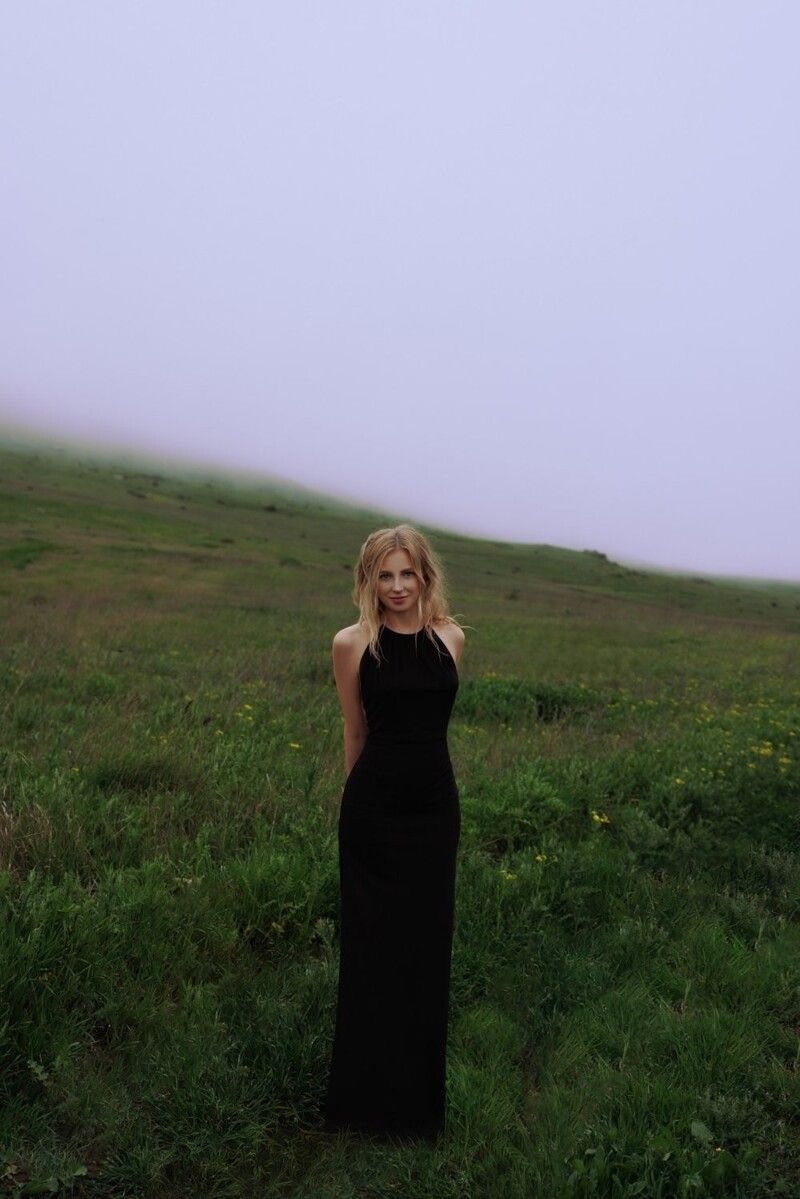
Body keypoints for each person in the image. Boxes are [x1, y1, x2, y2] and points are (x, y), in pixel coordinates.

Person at [321, 524, 465, 1143]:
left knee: (425, 950)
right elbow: (355, 731)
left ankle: (415, 1111)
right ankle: (361, 1106)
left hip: (434, 811)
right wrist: (352, 810)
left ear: (425, 575)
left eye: (407, 573)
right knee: (371, 950)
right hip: (374, 812)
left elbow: (435, 726)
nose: (398, 586)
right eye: (385, 575)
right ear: (368, 580)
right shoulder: (351, 644)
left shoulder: (451, 638)